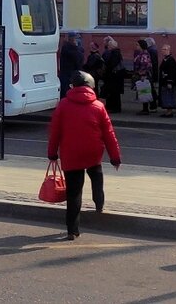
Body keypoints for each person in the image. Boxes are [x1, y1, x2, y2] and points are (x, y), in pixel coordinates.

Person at [46, 70, 122, 241]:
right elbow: (109, 134)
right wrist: (115, 157)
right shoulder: (98, 106)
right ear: (91, 86)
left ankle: (72, 230)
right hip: (93, 151)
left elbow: (55, 132)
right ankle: (99, 203)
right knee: (97, 176)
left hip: (71, 154)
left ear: (72, 86)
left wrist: (52, 154)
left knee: (74, 193)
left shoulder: (63, 105)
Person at [100, 37, 124, 114]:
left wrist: (106, 67)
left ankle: (115, 107)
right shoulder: (115, 53)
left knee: (114, 93)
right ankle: (111, 106)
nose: (108, 47)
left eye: (109, 46)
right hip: (113, 76)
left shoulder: (115, 53)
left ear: (112, 46)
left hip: (114, 76)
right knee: (111, 92)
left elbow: (112, 64)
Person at [57, 32, 84, 100]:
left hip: (73, 73)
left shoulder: (75, 47)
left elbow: (80, 58)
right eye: (75, 38)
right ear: (71, 38)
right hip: (67, 74)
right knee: (66, 90)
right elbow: (75, 56)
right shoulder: (66, 47)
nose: (76, 40)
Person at [132, 39, 153, 115]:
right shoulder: (141, 53)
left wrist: (142, 74)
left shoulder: (144, 55)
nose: (136, 46)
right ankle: (145, 108)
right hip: (141, 74)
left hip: (143, 75)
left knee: (144, 91)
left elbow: (145, 65)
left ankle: (146, 108)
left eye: (137, 45)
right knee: (143, 91)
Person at [157, 44, 176, 116]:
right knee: (165, 96)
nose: (163, 51)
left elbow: (172, 72)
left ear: (169, 50)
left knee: (169, 95)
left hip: (168, 81)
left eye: (165, 49)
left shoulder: (171, 60)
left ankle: (169, 111)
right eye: (162, 49)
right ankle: (167, 111)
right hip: (164, 81)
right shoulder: (165, 59)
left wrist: (170, 82)